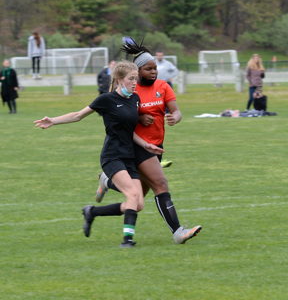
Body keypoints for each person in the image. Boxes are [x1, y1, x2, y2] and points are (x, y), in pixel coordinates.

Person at [34, 61, 161, 248]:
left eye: (136, 79)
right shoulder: (106, 99)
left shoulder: (135, 99)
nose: (135, 83)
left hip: (129, 156)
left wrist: (146, 145)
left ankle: (92, 211)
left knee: (137, 204)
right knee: (133, 194)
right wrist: (53, 120)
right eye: (131, 79)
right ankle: (127, 240)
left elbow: (129, 131)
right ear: (119, 79)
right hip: (112, 156)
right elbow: (78, 115)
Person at [95, 37, 201, 245]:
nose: (153, 72)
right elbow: (118, 113)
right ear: (138, 71)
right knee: (160, 183)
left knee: (137, 200)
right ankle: (178, 232)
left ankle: (99, 196)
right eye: (148, 69)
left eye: (155, 69)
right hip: (137, 145)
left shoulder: (163, 86)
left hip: (156, 146)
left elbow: (177, 111)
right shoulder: (131, 89)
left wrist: (175, 118)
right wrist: (140, 117)